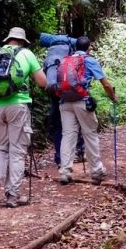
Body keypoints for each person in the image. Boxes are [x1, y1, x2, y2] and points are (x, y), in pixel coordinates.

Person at [0, 27, 46, 208]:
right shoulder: (27, 54)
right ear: (23, 41)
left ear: (8, 39)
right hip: (17, 106)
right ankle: (12, 195)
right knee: (17, 151)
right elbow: (42, 82)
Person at [58, 36, 117, 185]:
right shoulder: (89, 60)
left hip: (65, 102)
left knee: (68, 136)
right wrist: (113, 97)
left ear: (75, 47)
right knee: (89, 134)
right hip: (82, 102)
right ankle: (96, 171)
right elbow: (106, 84)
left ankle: (65, 171)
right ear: (89, 47)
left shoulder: (66, 60)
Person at [39, 32, 85, 166]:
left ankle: (59, 157)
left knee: (57, 124)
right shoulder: (70, 51)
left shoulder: (50, 56)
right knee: (75, 121)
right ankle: (80, 150)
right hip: (68, 91)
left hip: (53, 91)